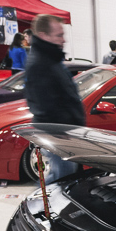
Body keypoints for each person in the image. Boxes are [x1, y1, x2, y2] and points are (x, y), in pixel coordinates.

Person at [25, 14, 85, 182]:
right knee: (59, 181)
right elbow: (43, 105)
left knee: (62, 178)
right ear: (44, 36)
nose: (64, 40)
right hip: (58, 136)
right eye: (59, 35)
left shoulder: (51, 59)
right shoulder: (40, 64)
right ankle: (43, 200)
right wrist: (62, 132)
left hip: (64, 134)